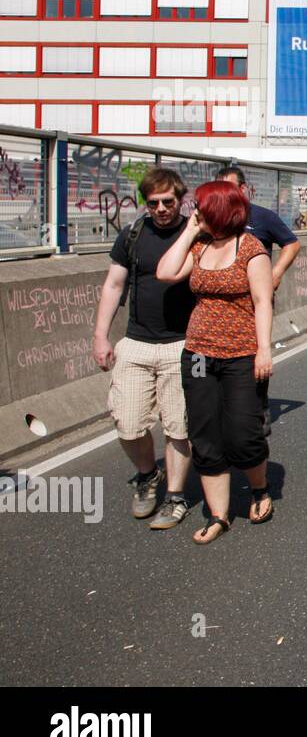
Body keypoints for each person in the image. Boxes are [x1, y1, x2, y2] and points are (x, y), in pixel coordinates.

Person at [156, 180, 273, 544]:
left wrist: (265, 349)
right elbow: (165, 272)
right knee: (204, 434)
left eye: (201, 208)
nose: (195, 212)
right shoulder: (199, 246)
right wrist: (190, 231)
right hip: (199, 354)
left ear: (221, 209)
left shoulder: (251, 249)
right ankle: (219, 515)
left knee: (243, 433)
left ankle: (259, 489)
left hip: (242, 354)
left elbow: (263, 302)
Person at [91, 167, 197, 530]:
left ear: (181, 200)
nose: (162, 208)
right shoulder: (133, 235)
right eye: (154, 202)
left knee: (178, 428)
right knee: (128, 424)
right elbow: (113, 285)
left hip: (182, 345)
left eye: (168, 201)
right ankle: (148, 474)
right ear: (146, 203)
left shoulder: (195, 234)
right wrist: (101, 336)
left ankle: (176, 496)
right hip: (136, 343)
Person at [216, 166, 301, 291]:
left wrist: (276, 274)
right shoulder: (212, 219)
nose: (223, 192)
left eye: (228, 187)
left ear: (242, 188)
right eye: (218, 188)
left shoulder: (263, 216)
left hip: (255, 294)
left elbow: (292, 244)